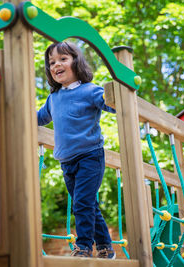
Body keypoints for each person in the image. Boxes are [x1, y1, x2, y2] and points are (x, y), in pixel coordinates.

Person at [37, 41, 116, 258]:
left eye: (63, 59)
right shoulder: (53, 98)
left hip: (90, 155)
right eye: (52, 62)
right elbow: (40, 118)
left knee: (82, 202)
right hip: (66, 161)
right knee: (87, 203)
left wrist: (119, 94)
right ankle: (106, 248)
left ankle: (83, 247)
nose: (56, 65)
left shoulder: (90, 91)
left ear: (76, 62)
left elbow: (112, 104)